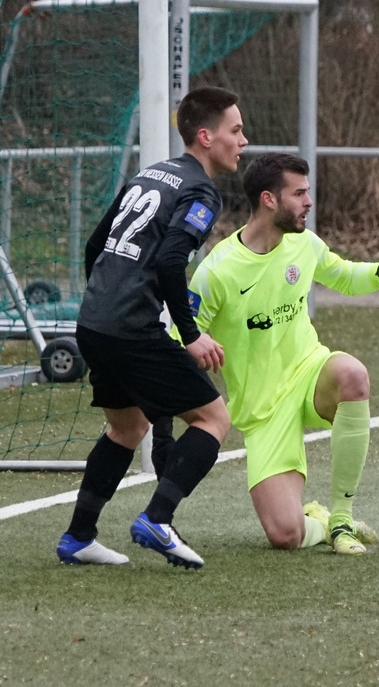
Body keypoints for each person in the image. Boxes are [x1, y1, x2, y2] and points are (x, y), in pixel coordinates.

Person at [187, 152, 379, 554]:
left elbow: (345, 276)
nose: (309, 202)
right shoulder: (217, 271)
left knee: (352, 375)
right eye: (298, 194)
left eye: (307, 192)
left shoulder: (304, 244)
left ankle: (342, 519)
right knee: (285, 536)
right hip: (262, 409)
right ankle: (322, 524)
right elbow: (181, 338)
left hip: (309, 373)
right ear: (269, 199)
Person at [56, 86, 247, 569]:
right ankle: (158, 520)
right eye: (236, 130)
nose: (243, 141)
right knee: (214, 419)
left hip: (94, 322)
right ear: (206, 137)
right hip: (129, 329)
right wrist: (191, 334)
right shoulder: (200, 190)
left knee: (127, 427)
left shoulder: (150, 174)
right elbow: (168, 260)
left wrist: (105, 300)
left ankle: (78, 537)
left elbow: (95, 245)